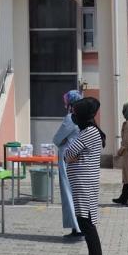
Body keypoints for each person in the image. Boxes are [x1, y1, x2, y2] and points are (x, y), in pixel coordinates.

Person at [65, 97, 107, 255]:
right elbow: (70, 155)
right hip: (83, 183)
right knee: (86, 221)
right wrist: (71, 158)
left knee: (86, 223)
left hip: (85, 184)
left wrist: (71, 158)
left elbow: (68, 153)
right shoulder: (88, 131)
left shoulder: (89, 132)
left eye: (75, 113)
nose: (73, 117)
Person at [53, 90, 83, 239]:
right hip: (78, 159)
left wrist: (62, 141)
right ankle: (79, 226)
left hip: (67, 158)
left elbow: (57, 139)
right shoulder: (83, 117)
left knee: (68, 192)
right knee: (78, 194)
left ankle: (76, 227)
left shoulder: (70, 118)